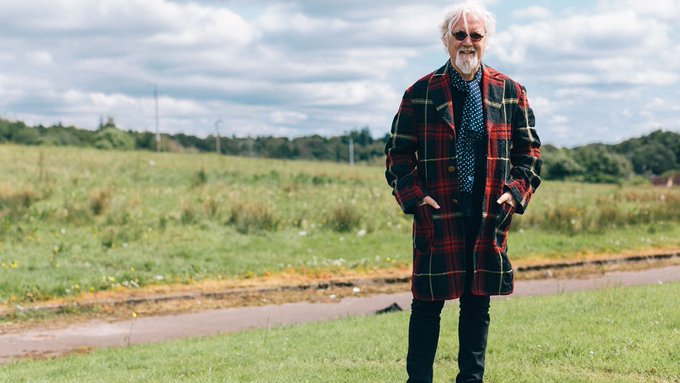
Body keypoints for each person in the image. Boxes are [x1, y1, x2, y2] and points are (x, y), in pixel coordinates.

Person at [384, 1, 542, 382]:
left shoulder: (510, 91)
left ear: (486, 40)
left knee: (477, 305)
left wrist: (515, 193)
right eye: (459, 35)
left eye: (475, 35)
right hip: (437, 215)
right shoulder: (419, 92)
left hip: (488, 213)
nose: (467, 42)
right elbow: (398, 154)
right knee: (426, 305)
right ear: (446, 40)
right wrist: (415, 196)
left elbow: (530, 152)